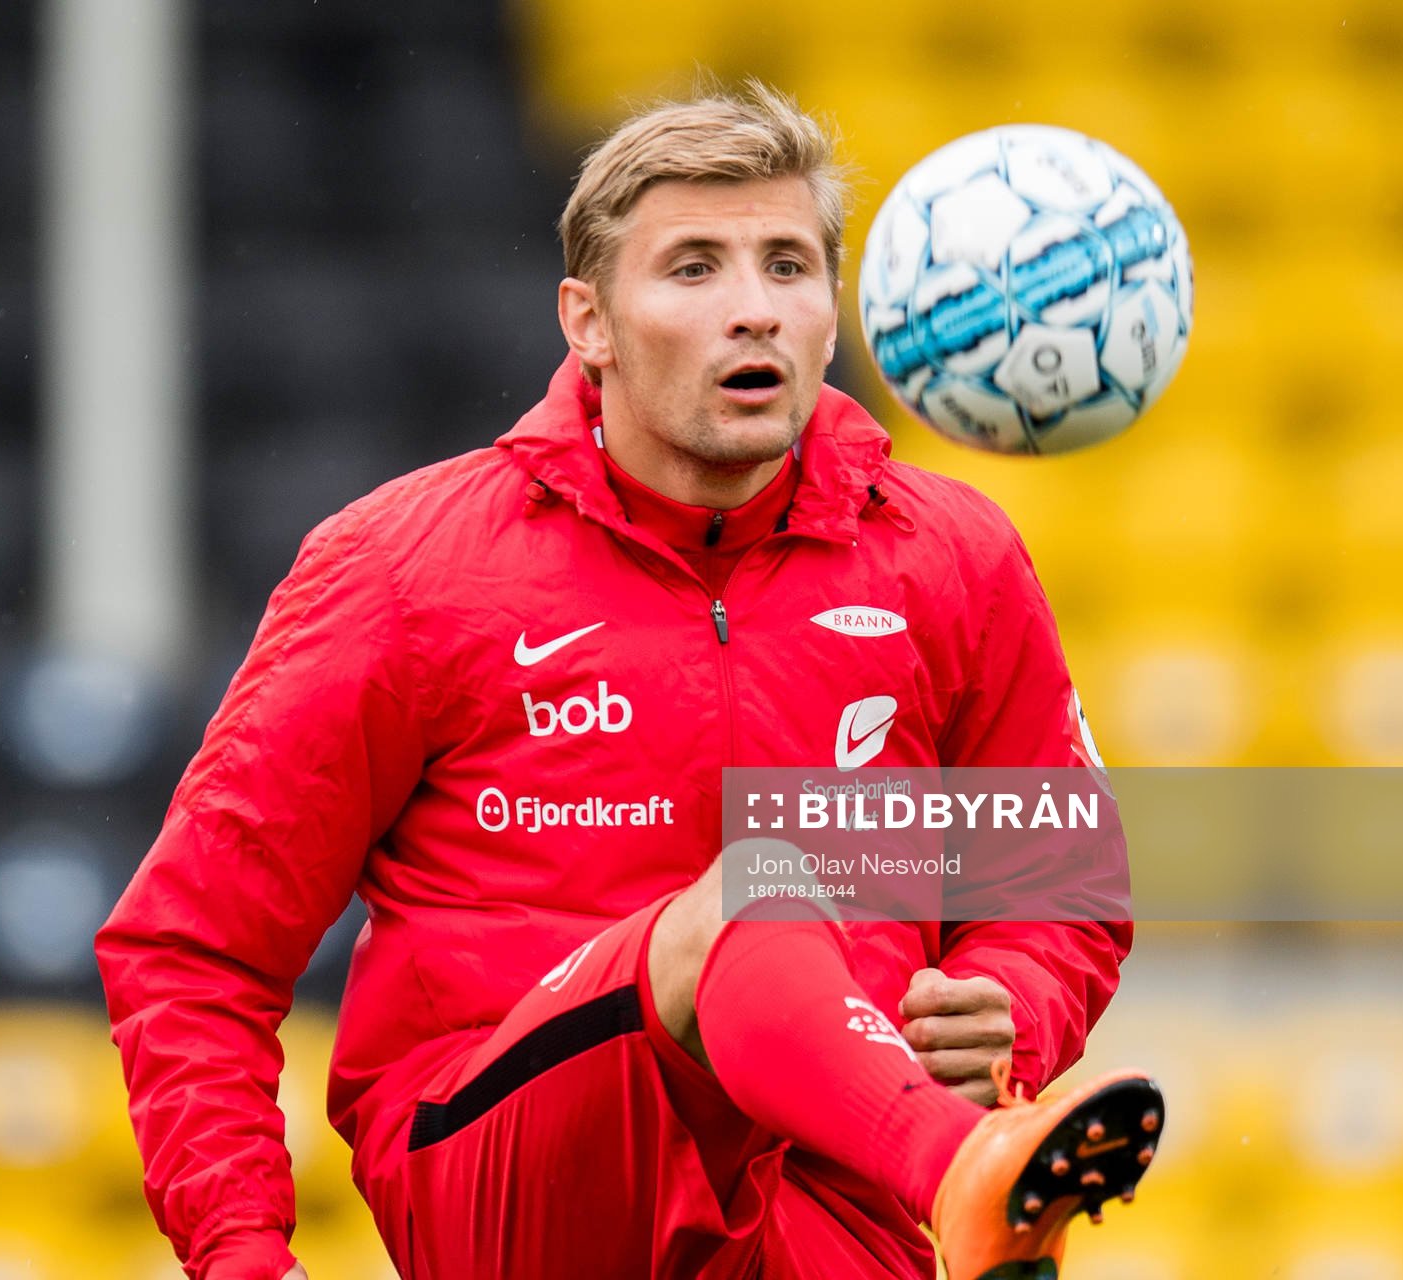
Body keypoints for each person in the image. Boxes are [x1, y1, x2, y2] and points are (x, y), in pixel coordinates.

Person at [97, 81, 1160, 1280]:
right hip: (516, 1179)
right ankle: (970, 1164)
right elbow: (195, 946)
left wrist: (1010, 1000)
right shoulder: (404, 566)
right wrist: (243, 1253)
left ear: (831, 315)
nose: (753, 309)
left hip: (828, 1194)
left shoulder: (953, 558)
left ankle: (968, 1173)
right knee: (760, 889)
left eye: (788, 266)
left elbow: (1056, 885)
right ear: (589, 321)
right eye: (694, 268)